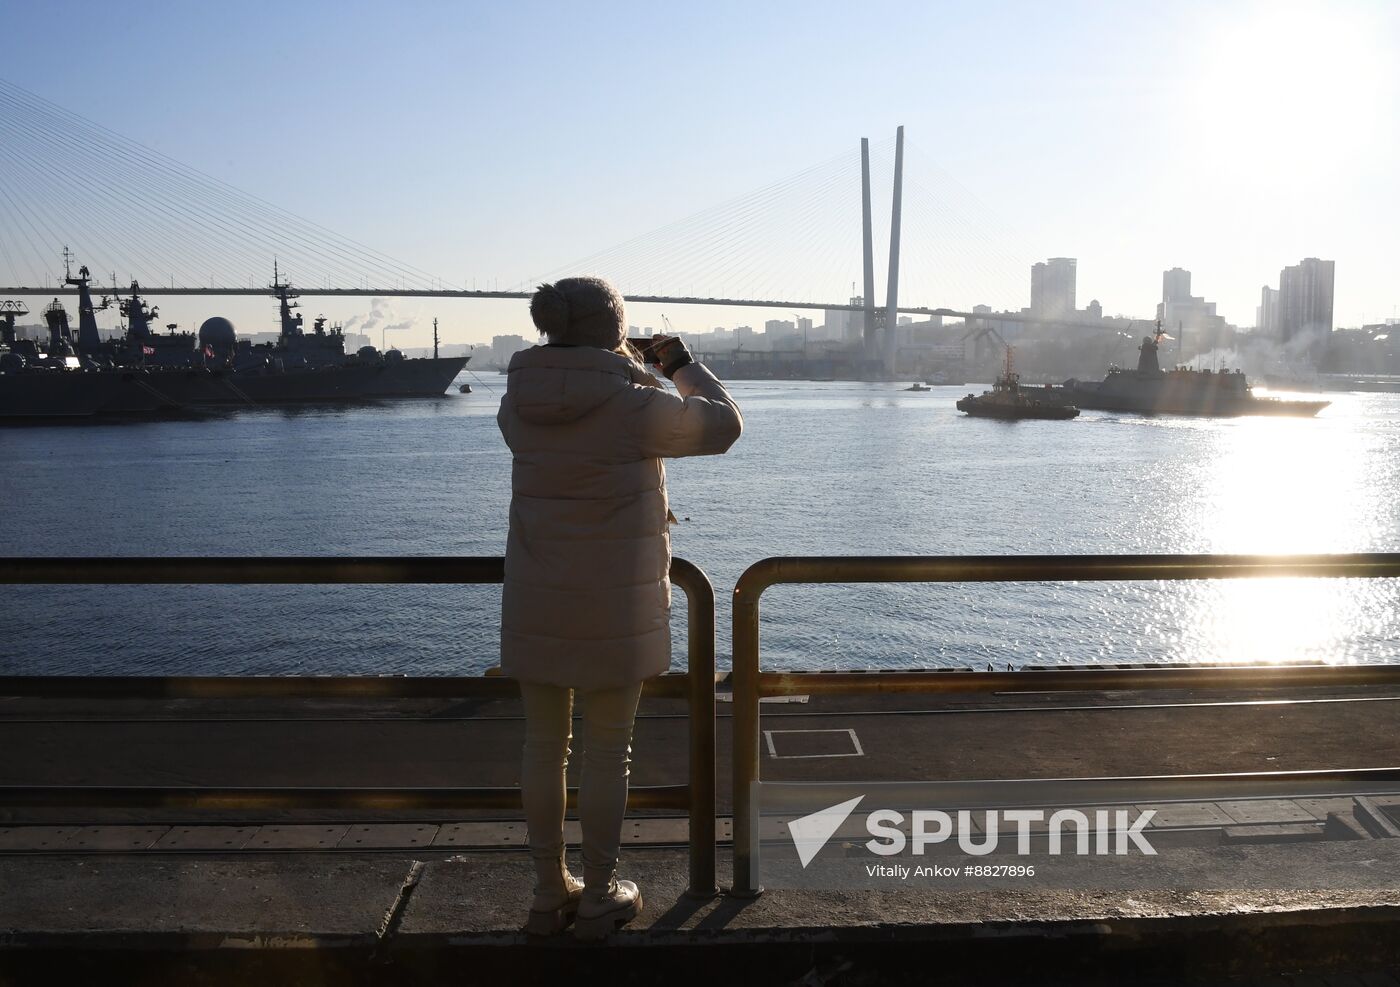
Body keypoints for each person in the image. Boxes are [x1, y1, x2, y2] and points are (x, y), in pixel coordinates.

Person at [497, 276, 742, 940]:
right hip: (614, 605)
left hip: (536, 599)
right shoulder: (636, 405)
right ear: (616, 331)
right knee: (608, 750)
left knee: (543, 746)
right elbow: (723, 425)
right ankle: (602, 892)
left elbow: (569, 413)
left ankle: (550, 893)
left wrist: (619, 364)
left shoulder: (515, 403)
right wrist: (678, 364)